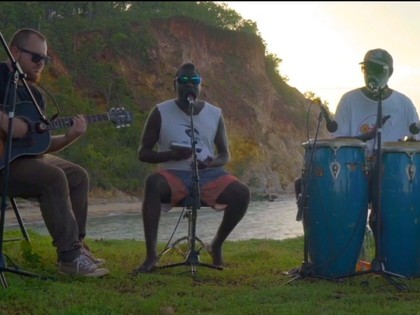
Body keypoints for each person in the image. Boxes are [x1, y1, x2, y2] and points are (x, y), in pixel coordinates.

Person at [295, 48, 420, 276]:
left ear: (390, 72)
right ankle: (321, 259)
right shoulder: (349, 100)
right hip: (353, 171)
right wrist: (363, 140)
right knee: (303, 184)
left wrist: (407, 147)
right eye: (367, 68)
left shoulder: (403, 102)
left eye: (378, 69)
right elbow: (338, 142)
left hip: (393, 174)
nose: (372, 73)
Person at [0, 28, 108, 277]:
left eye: (45, 60)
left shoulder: (34, 95)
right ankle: (69, 260)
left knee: (77, 175)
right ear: (15, 52)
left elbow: (40, 145)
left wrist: (70, 137)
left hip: (26, 160)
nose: (41, 64)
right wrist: (6, 121)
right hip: (4, 165)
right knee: (53, 178)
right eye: (36, 58)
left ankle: (77, 247)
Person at [135, 62, 250, 272]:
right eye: (184, 81)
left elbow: (225, 154)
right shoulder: (160, 111)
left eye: (194, 81)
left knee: (241, 193)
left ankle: (216, 245)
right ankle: (151, 256)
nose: (189, 85)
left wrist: (210, 163)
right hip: (173, 175)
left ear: (201, 85)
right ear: (174, 84)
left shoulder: (214, 113)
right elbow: (143, 152)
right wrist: (171, 154)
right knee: (153, 182)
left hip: (208, 174)